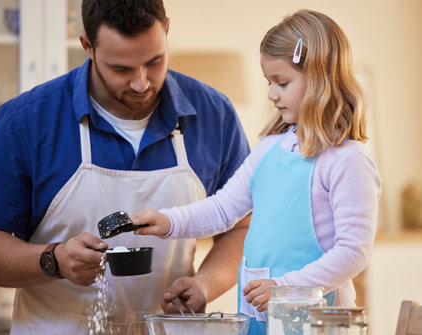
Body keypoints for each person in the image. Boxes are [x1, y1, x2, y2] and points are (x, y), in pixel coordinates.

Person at [0, 1, 251, 334]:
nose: (141, 83)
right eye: (121, 69)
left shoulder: (213, 114)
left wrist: (205, 284)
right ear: (88, 47)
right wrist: (54, 260)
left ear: (167, 30)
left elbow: (243, 226)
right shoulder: (27, 121)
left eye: (155, 61)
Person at [133, 9, 382, 334]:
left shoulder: (348, 161)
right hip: (258, 320)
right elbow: (223, 209)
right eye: (269, 82)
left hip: (315, 322)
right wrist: (168, 221)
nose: (271, 93)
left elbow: (354, 252)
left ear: (321, 79)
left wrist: (284, 287)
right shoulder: (268, 149)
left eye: (282, 82)